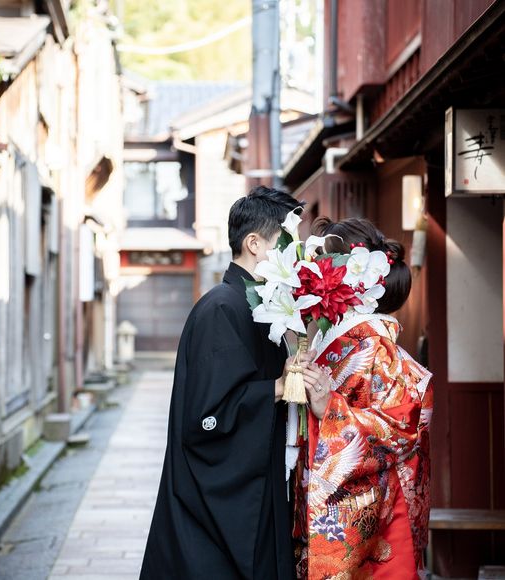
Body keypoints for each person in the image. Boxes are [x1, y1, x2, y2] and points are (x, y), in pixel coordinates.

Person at [140, 186, 322, 580]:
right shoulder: (221, 308)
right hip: (218, 503)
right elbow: (207, 415)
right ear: (254, 244)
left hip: (258, 480)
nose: (296, 254)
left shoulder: (256, 306)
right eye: (287, 242)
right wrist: (277, 387)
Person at [292, 217, 433, 579]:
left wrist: (330, 410)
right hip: (334, 499)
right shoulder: (342, 338)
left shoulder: (374, 344)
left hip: (375, 511)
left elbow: (400, 427)